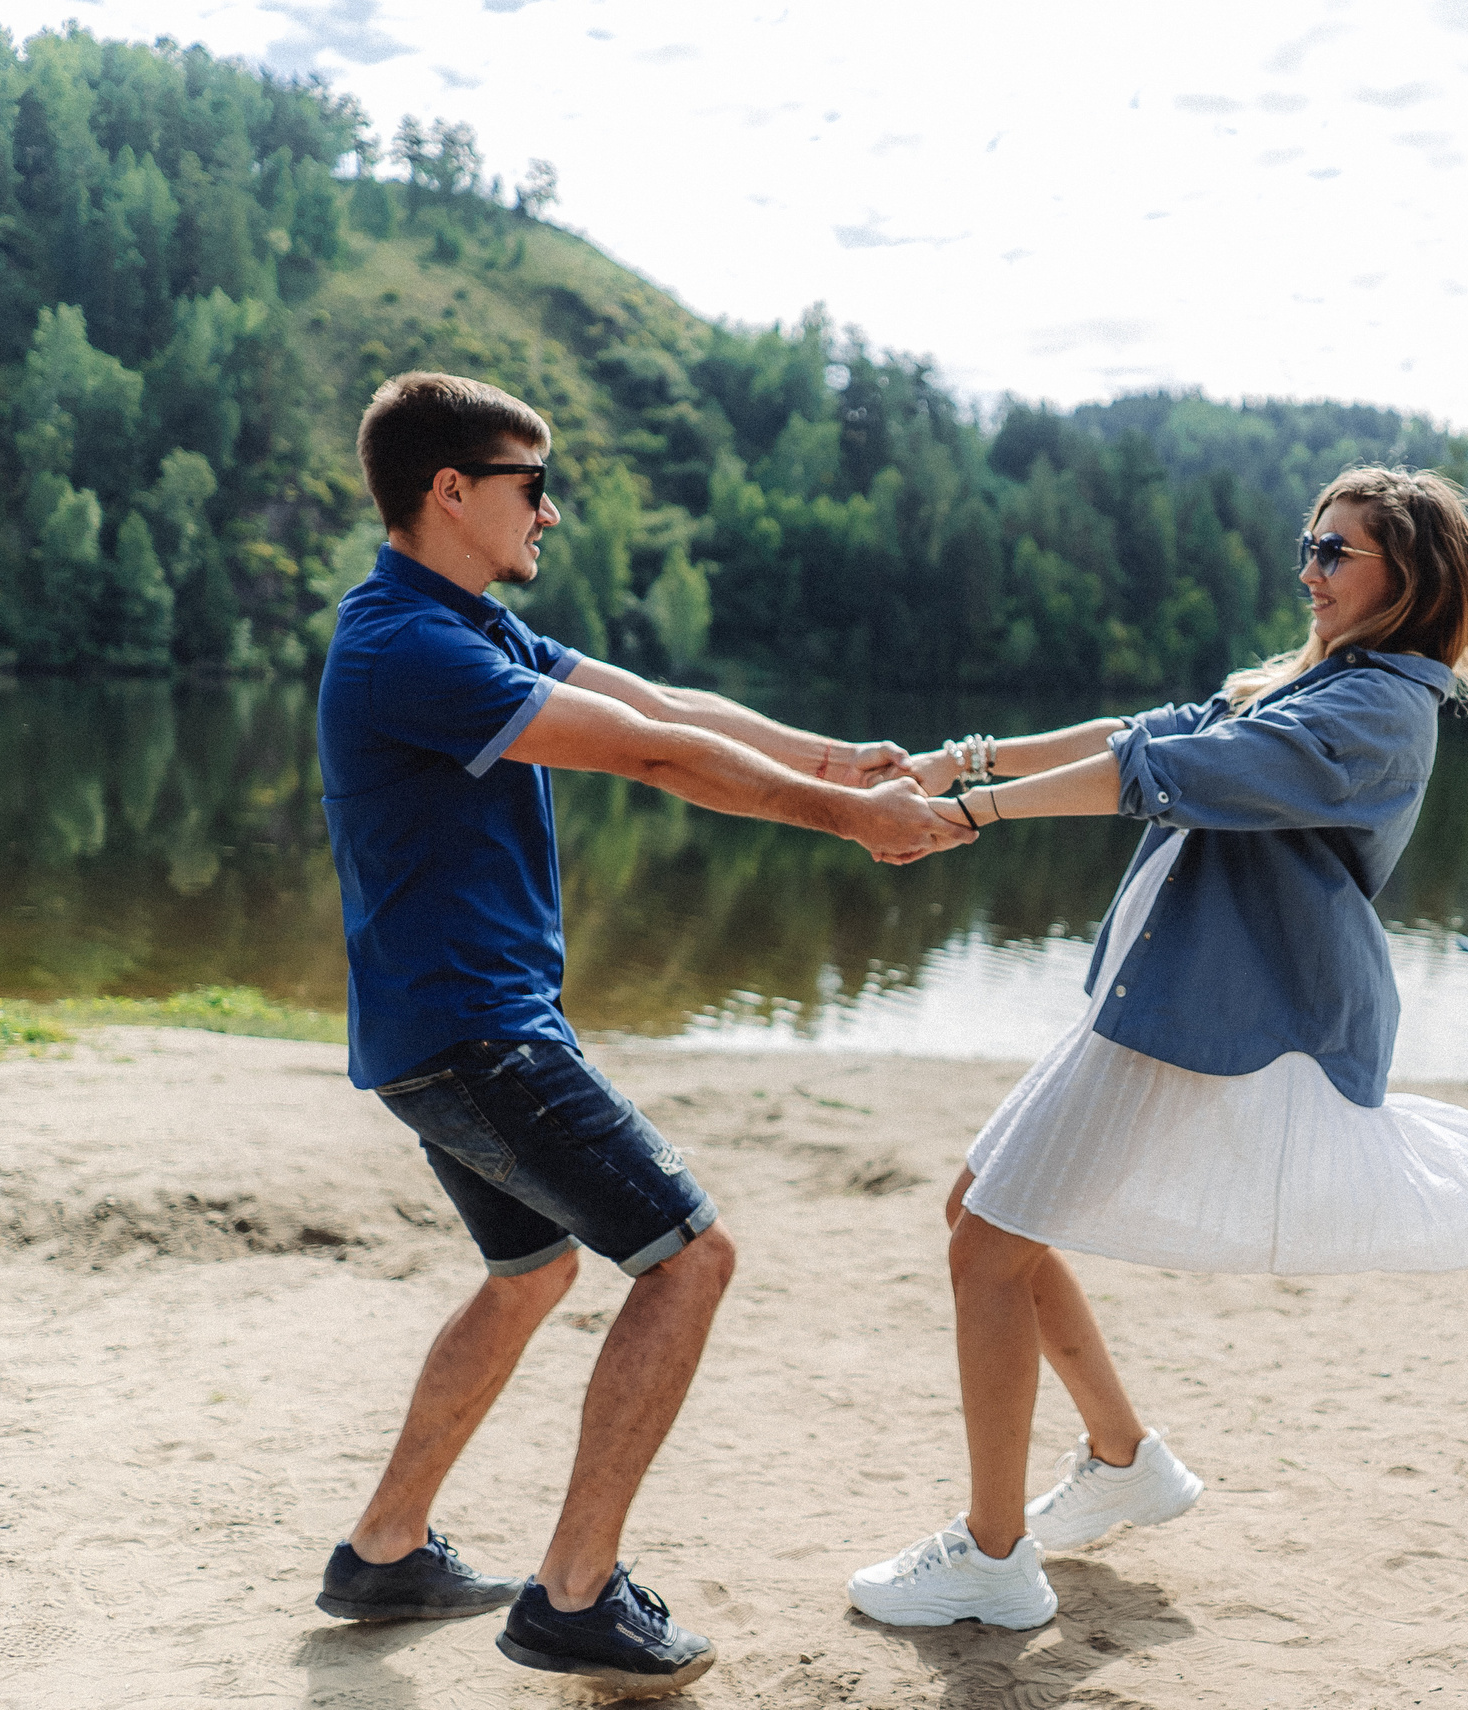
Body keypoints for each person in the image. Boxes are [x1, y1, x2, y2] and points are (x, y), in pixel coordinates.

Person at [845, 466, 1468, 1628]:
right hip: (1166, 1000)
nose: (1306, 570)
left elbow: (1169, 775)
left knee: (988, 1249)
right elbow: (1146, 731)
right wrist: (961, 761)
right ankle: (1121, 1461)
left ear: (1406, 576)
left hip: (1213, 1017)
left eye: (1333, 552)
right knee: (981, 1217)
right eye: (1306, 545)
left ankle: (994, 1561)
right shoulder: (1321, 683)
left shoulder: (1376, 712)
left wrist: (966, 816)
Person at [311, 372, 970, 1695]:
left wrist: (836, 759)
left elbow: (666, 710)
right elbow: (652, 762)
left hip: (432, 1032)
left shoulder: (462, 624)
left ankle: (384, 1552)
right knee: (689, 1259)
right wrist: (847, 824)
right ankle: (573, 1594)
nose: (550, 512)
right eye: (531, 484)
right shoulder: (411, 650)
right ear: (452, 490)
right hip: (476, 1033)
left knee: (533, 1271)